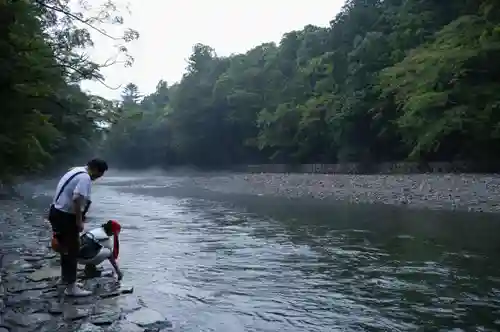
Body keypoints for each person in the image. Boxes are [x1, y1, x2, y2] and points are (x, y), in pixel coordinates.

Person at [48, 158, 108, 297]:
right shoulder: (85, 177)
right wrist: (79, 221)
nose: (97, 178)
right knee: (72, 250)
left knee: (65, 249)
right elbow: (76, 198)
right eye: (99, 175)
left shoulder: (75, 170)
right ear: (96, 170)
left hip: (56, 211)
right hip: (65, 216)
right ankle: (71, 287)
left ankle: (66, 279)